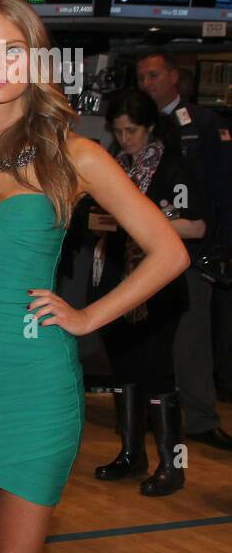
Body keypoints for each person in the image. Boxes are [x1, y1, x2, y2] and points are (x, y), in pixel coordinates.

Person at [0, 0, 188, 553]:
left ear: (37, 61)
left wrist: (87, 317)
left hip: (36, 387)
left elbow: (168, 251)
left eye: (13, 51)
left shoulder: (75, 155)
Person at [90, 91, 206, 496]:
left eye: (132, 131)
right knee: (124, 372)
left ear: (150, 128)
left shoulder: (173, 167)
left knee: (158, 375)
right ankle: (131, 454)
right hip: (116, 281)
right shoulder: (111, 168)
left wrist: (140, 220)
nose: (125, 139)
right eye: (118, 132)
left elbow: (195, 226)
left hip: (157, 289)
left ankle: (173, 466)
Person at [136, 51, 232, 451]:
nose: (147, 83)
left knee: (192, 338)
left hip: (192, 249)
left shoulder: (204, 124)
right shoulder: (140, 125)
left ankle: (201, 418)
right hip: (143, 253)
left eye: (154, 75)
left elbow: (220, 189)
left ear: (174, 76)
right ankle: (148, 413)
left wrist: (218, 247)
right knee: (147, 337)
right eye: (141, 77)